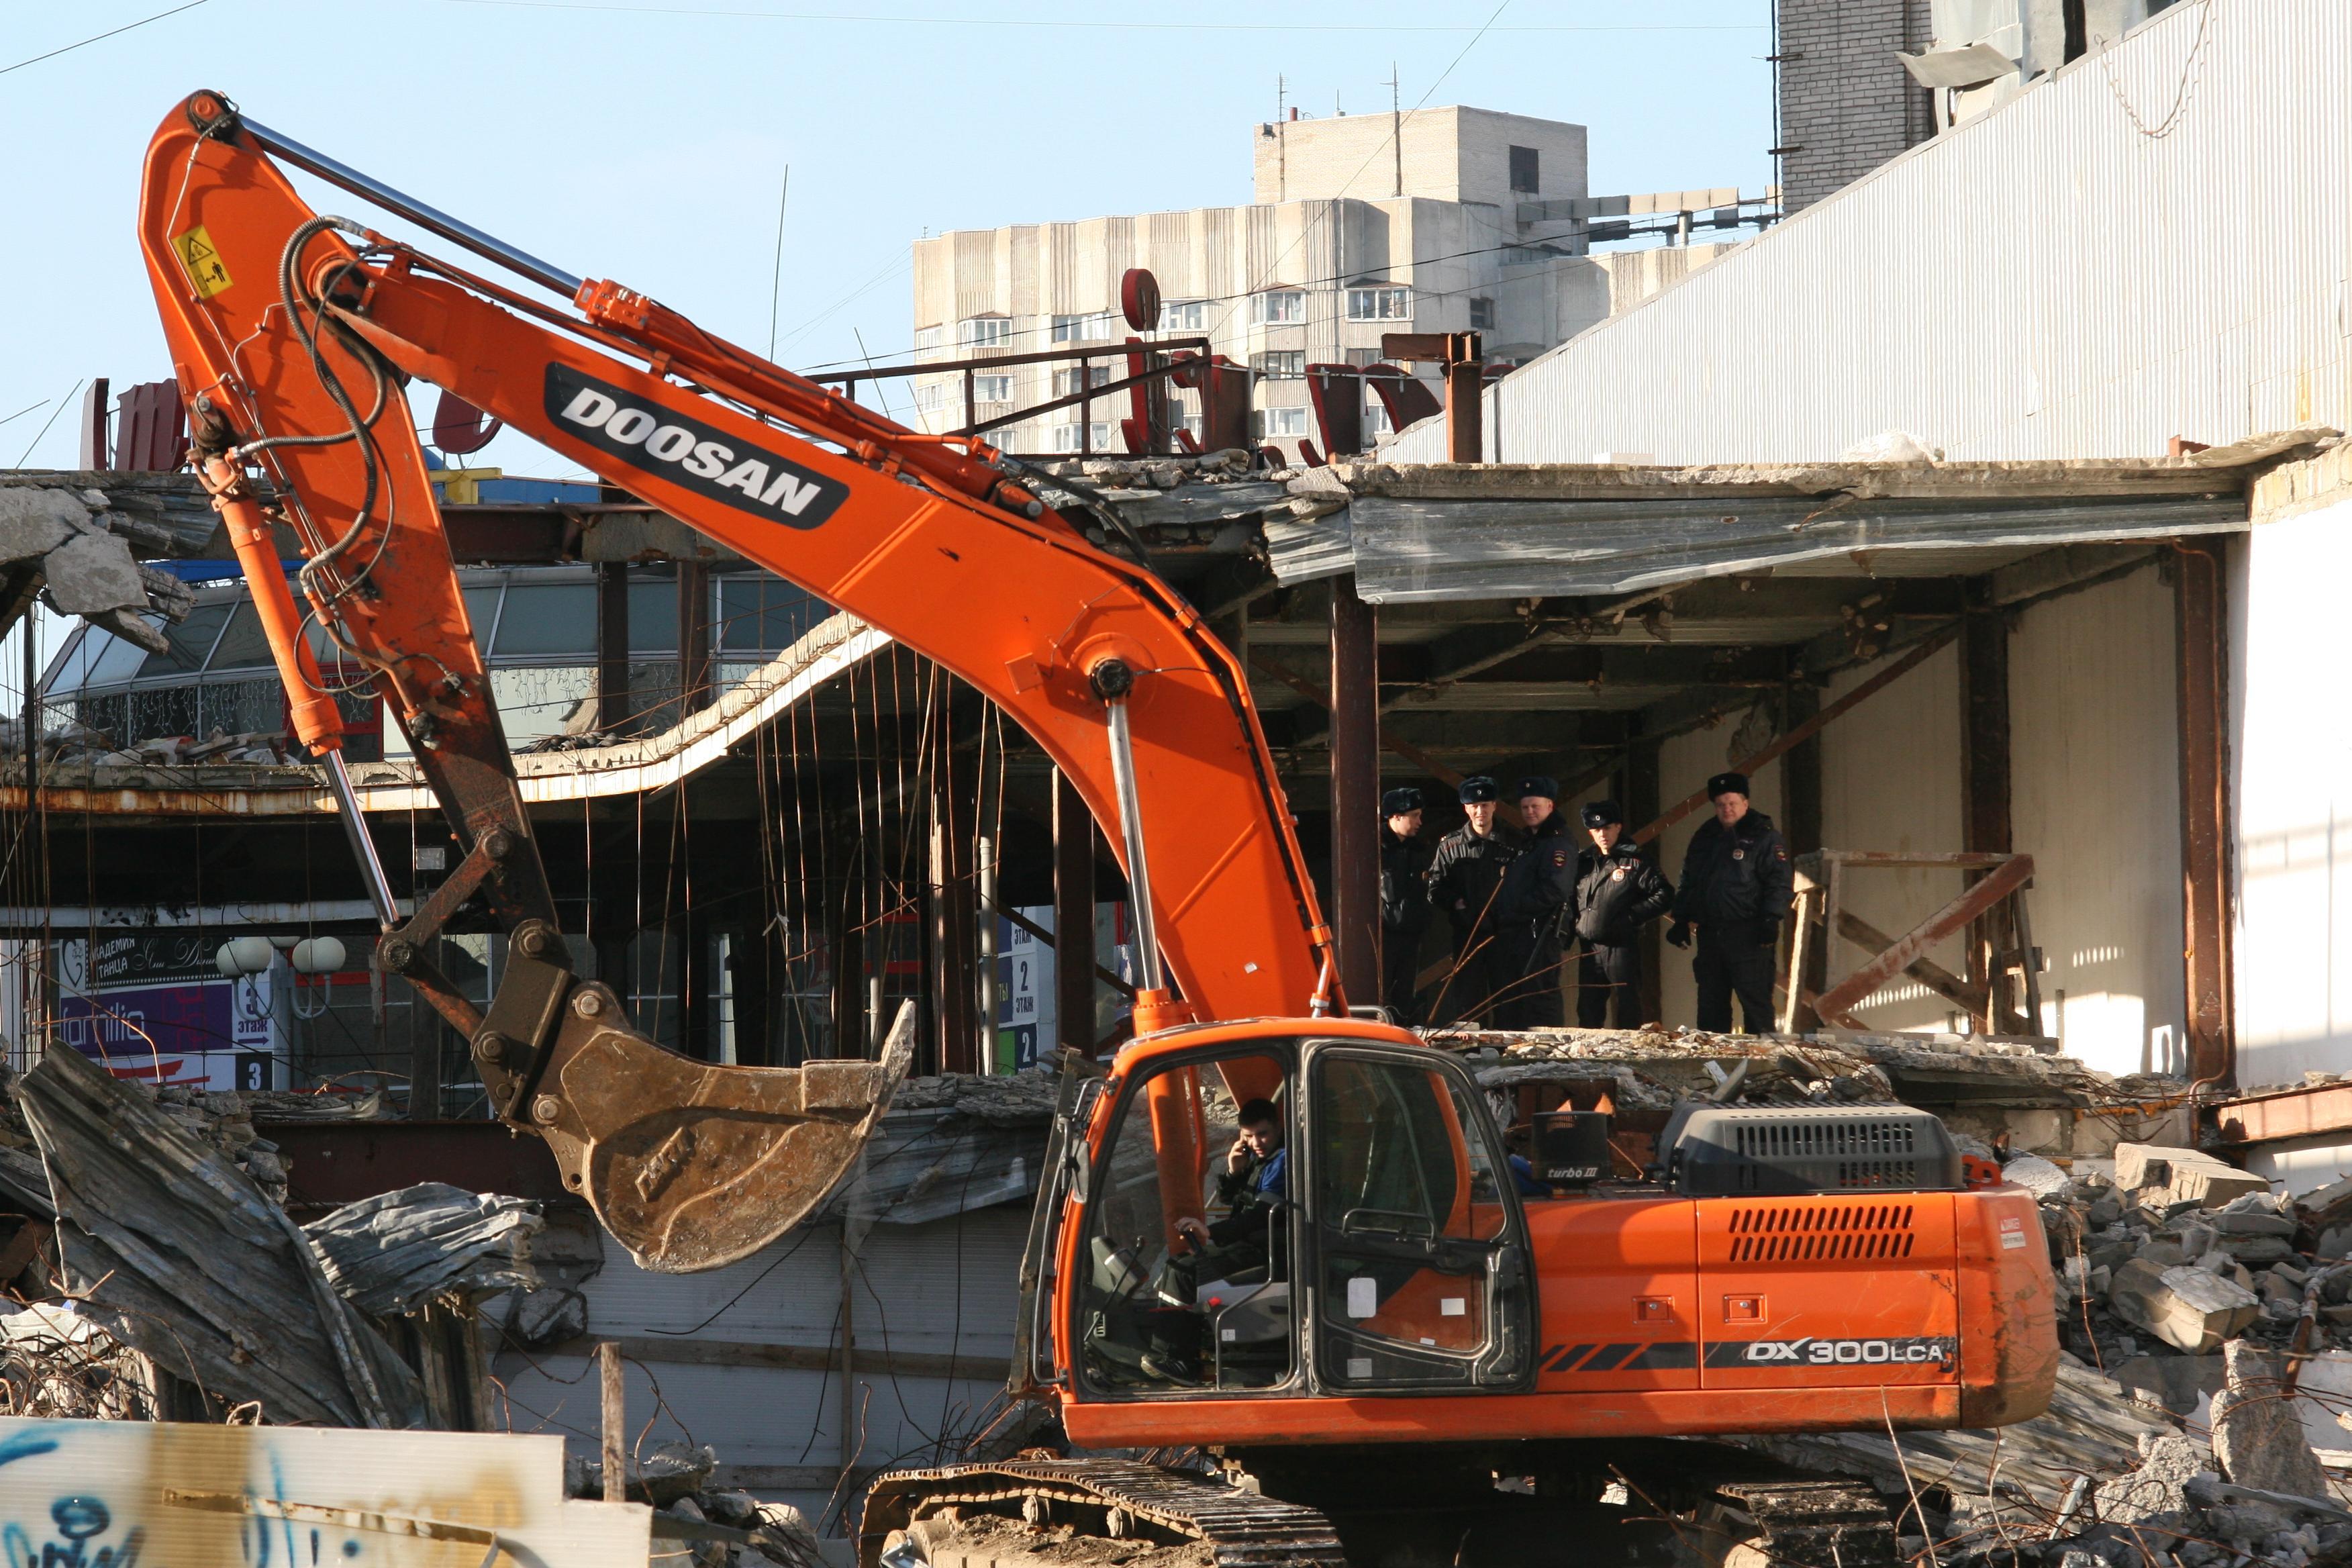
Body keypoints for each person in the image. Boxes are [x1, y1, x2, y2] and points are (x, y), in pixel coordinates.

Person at [1668, 772, 1794, 1034]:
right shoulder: (1705, 837)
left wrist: (1772, 918)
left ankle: (1761, 1068)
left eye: (1732, 803)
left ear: (1745, 804)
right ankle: (1716, 1069)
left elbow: (1779, 881)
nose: (1727, 809)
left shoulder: (1764, 836)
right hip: (1711, 934)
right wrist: (1681, 918)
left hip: (1749, 933)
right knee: (1711, 1007)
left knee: (1755, 1004)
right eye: (1721, 805)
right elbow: (1689, 880)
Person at [1425, 776, 1522, 1024]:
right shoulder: (1450, 846)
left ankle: (1505, 1052)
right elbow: (1435, 888)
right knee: (1469, 997)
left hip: (1505, 934)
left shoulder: (1514, 843)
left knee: (1506, 995)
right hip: (1467, 933)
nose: (1481, 811)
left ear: (1494, 806)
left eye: (1486, 805)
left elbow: (1525, 885)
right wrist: (1455, 903)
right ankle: (1473, 1051)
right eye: (1475, 806)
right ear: (1466, 808)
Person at [1569, 799, 1674, 1028]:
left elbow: (1665, 894)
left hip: (1621, 945)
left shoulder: (1636, 860)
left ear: (1618, 827)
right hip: (1589, 947)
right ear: (1590, 832)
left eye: (1607, 828)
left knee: (1627, 1006)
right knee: (1588, 1009)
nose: (1602, 834)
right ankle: (1589, 1060)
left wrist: (1631, 917)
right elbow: (1572, 899)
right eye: (1597, 830)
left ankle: (1627, 1059)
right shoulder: (1584, 863)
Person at [1174, 1097, 1287, 1279]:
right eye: (1249, 1136)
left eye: (1262, 1134)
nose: (1256, 1143)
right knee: (1178, 1264)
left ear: (1278, 1128)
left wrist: (1211, 1232)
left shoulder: (1283, 1160)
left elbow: (1261, 1214)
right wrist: (1234, 1172)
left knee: (1185, 1275)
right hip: (1251, 1243)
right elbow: (1228, 1199)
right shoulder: (1255, 1157)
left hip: (1273, 1251)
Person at [1493, 775, 1572, 1028]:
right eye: (1525, 807)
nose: (1529, 812)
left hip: (1540, 931)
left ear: (1550, 806)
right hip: (1519, 931)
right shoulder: (1528, 841)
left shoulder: (1558, 842)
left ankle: (1548, 1053)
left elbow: (1554, 890)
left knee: (1540, 994)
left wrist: (1515, 908)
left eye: (1535, 806)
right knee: (1514, 996)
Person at [1378, 787, 1434, 1024]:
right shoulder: (1374, 850)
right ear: (1396, 817)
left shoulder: (1419, 851)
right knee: (1380, 994)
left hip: (1411, 934)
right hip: (1384, 936)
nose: (1420, 821)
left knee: (1405, 997)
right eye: (1414, 815)